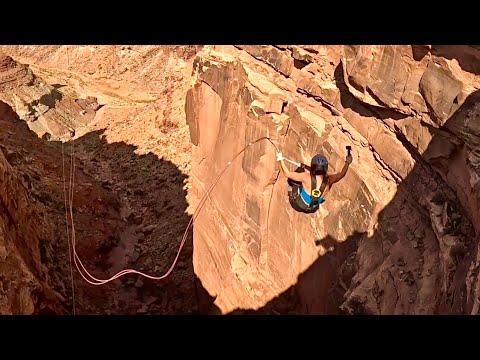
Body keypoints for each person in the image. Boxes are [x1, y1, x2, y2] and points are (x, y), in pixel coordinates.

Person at [276, 148, 353, 213]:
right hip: (313, 208)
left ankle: (291, 193)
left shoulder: (306, 177)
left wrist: (280, 159)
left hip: (298, 205)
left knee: (298, 173)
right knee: (307, 174)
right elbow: (342, 174)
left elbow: (287, 174)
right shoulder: (330, 180)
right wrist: (347, 162)